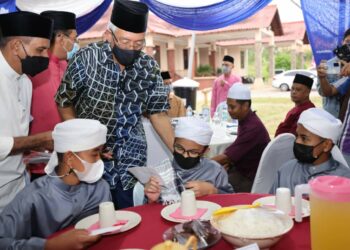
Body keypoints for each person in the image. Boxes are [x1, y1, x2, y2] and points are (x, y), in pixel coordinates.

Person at [55, 0, 173, 208]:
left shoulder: (148, 67)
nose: (132, 49)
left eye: (138, 44)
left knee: (132, 217)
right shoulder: (86, 58)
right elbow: (65, 102)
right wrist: (83, 142)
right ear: (108, 36)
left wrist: (179, 151)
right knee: (95, 221)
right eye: (126, 42)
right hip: (91, 161)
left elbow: (158, 113)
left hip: (132, 162)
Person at [0, 119, 111, 249]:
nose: (100, 160)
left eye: (101, 153)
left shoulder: (101, 188)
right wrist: (48, 246)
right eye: (94, 154)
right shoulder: (34, 198)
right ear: (70, 158)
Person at [0, 12, 54, 212]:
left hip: (19, 187)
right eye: (40, 50)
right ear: (15, 46)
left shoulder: (25, 82)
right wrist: (39, 140)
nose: (45, 57)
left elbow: (18, 133)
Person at [29, 11, 78, 179]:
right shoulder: (34, 68)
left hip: (68, 159)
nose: (75, 43)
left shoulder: (67, 66)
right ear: (60, 38)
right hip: (39, 163)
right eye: (73, 38)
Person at [144, 117, 234, 203]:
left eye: (193, 152)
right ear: (174, 143)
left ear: (205, 151)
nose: (185, 156)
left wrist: (213, 191)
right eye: (179, 148)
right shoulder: (161, 172)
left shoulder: (215, 171)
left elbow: (231, 201)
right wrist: (152, 200)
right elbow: (151, 210)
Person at [270, 108, 350, 195]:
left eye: (304, 138)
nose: (297, 141)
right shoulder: (287, 170)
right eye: (297, 136)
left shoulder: (344, 180)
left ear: (326, 145)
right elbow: (271, 204)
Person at [212, 84, 270, 192]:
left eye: (232, 107)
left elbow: (226, 157)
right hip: (241, 170)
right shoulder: (246, 120)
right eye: (228, 106)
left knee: (211, 186)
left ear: (245, 105)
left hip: (249, 178)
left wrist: (202, 165)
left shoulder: (252, 127)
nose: (229, 110)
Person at [317, 28, 350, 120]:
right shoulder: (331, 64)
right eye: (347, 41)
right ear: (342, 42)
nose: (348, 45)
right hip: (332, 117)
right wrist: (322, 77)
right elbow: (326, 91)